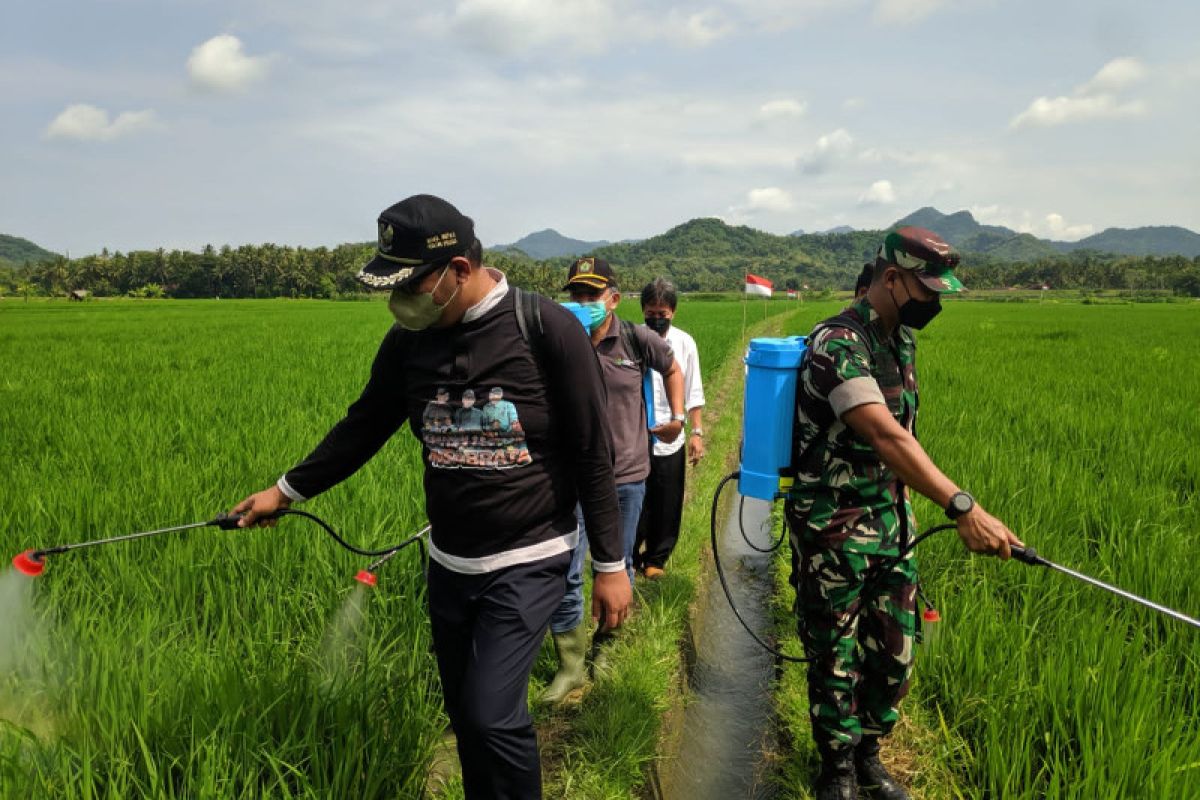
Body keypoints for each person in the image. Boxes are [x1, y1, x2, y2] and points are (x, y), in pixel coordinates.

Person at [231, 194, 632, 800]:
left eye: (411, 284)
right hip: (449, 563)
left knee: (493, 715)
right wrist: (284, 491)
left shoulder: (544, 328)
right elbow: (364, 425)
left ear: (460, 272)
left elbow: (591, 453)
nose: (400, 300)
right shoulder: (407, 343)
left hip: (530, 555)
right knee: (466, 719)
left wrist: (610, 564)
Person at [786, 226, 1022, 800]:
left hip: (893, 527)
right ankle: (836, 768)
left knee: (895, 653)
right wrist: (962, 505)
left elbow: (906, 438)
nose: (935, 303)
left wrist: (914, 508)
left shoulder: (902, 343)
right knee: (835, 655)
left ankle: (869, 755)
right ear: (891, 279)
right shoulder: (837, 344)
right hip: (833, 532)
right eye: (927, 290)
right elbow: (888, 436)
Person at [539, 257, 686, 704]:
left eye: (592, 295)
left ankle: (608, 644)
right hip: (572, 478)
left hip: (626, 476)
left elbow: (672, 369)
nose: (583, 303)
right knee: (567, 570)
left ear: (614, 299)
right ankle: (571, 664)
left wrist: (678, 418)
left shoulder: (637, 340)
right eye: (576, 294)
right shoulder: (560, 340)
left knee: (618, 565)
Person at [633, 277, 705, 579]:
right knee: (636, 497)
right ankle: (630, 554)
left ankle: (656, 560)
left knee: (667, 498)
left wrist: (697, 433)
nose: (656, 319)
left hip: (671, 436)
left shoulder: (684, 343)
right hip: (636, 435)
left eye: (662, 314)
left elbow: (693, 390)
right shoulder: (632, 340)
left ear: (673, 312)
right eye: (651, 312)